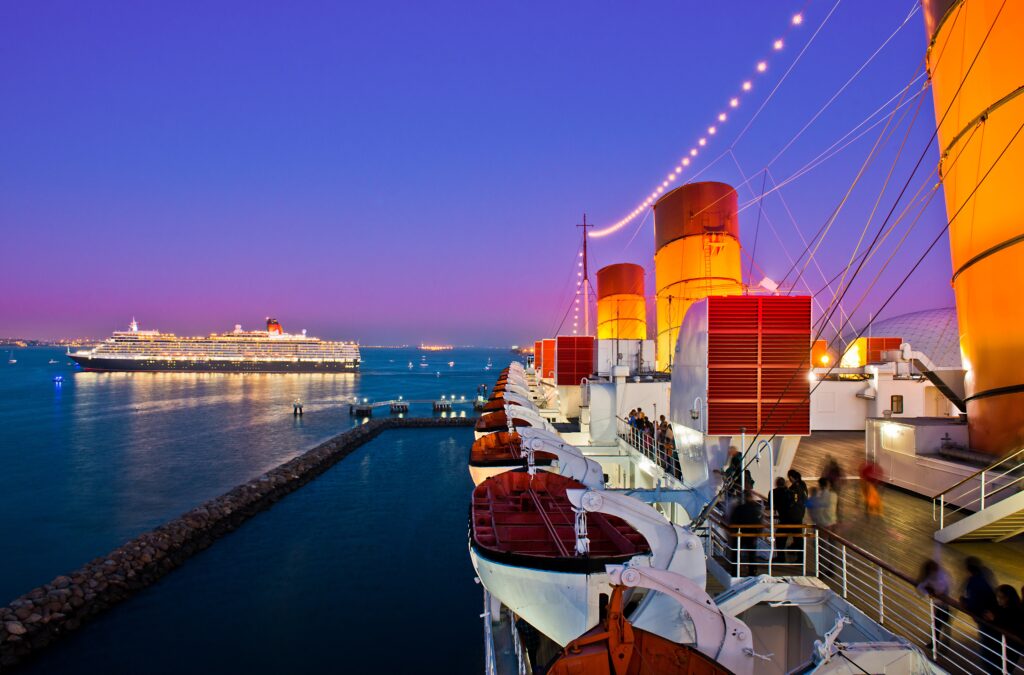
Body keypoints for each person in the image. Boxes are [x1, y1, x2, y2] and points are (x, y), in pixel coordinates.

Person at [961, 556, 999, 672]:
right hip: (993, 616)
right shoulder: (984, 577)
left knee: (988, 650)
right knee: (994, 647)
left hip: (985, 619)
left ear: (968, 569)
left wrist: (963, 601)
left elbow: (973, 604)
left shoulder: (974, 582)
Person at [915, 560, 952, 651]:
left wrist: (932, 592)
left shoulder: (939, 575)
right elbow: (921, 587)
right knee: (941, 623)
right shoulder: (932, 576)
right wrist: (929, 592)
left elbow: (944, 586)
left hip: (944, 602)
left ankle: (939, 644)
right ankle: (938, 644)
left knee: (941, 623)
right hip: (940, 603)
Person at [728, 490, 763, 576]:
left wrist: (733, 530)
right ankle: (752, 571)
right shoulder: (755, 508)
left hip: (740, 534)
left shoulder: (739, 508)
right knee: (751, 554)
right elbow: (758, 522)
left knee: (736, 553)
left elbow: (733, 520)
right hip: (752, 534)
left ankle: (735, 571)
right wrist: (758, 533)